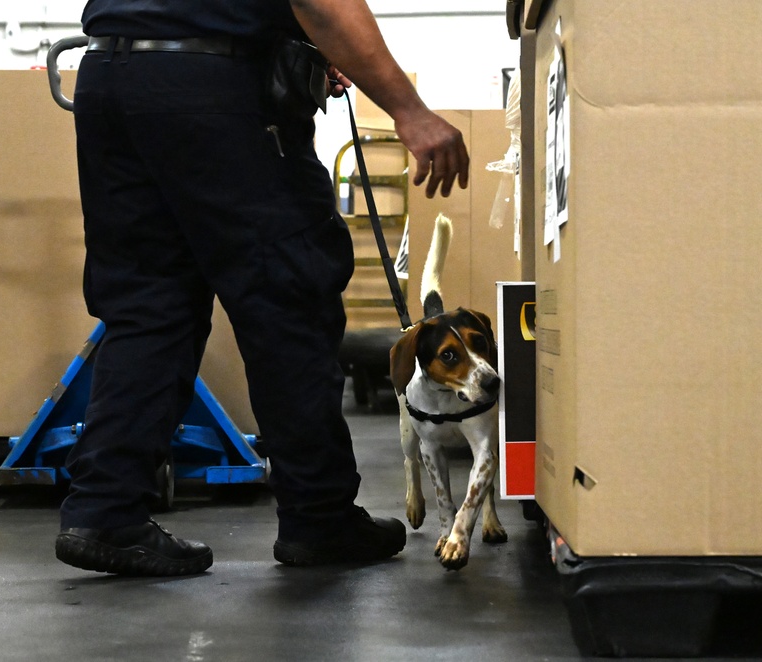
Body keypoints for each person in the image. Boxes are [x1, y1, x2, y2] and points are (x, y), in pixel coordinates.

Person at [54, 0, 470, 576]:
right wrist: (409, 110)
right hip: (215, 93)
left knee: (150, 306)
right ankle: (319, 516)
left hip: (109, 79)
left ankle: (104, 509)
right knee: (288, 298)